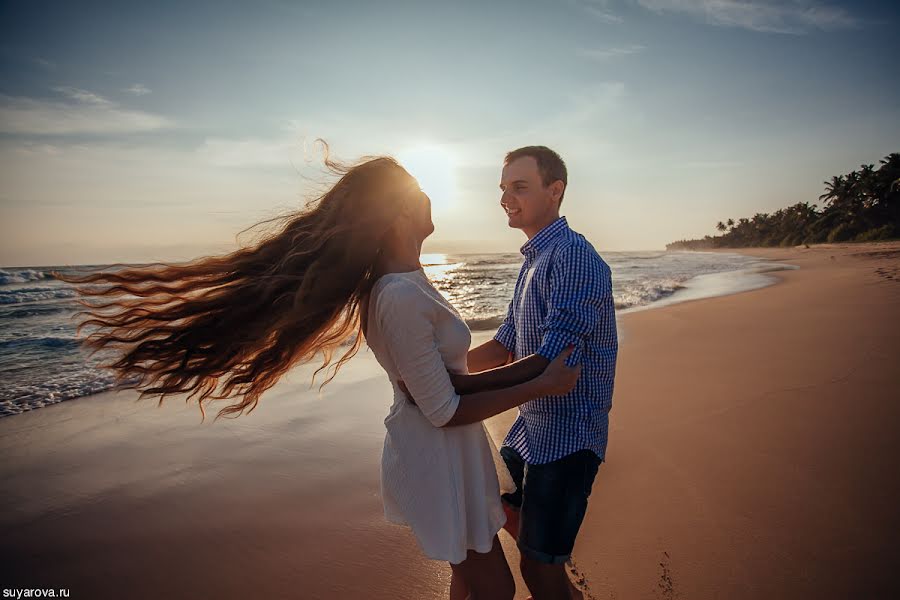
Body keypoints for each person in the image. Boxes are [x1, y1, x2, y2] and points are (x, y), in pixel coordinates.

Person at [52, 143, 582, 600]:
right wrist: (537, 383)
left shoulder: (408, 280)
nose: (428, 197)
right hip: (437, 459)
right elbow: (442, 408)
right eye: (418, 190)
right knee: (496, 590)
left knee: (468, 585)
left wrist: (533, 372)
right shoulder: (396, 294)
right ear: (397, 214)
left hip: (452, 456)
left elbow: (447, 383)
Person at [465, 146, 619, 600]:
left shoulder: (571, 257)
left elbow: (552, 362)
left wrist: (460, 390)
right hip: (531, 429)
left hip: (569, 438)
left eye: (519, 187)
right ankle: (551, 557)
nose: (505, 198)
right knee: (489, 511)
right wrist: (437, 368)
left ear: (556, 191)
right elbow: (504, 345)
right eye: (503, 188)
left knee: (536, 570)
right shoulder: (534, 259)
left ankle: (550, 563)